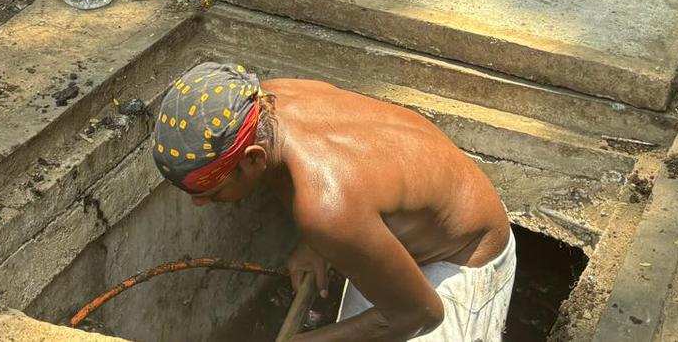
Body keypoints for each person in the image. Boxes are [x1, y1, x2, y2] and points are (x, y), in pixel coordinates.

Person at [152, 62, 516, 341]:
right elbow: (327, 178)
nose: (201, 205)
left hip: (463, 258)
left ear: (252, 159)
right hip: (405, 230)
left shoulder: (328, 210)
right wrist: (313, 244)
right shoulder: (267, 100)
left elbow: (418, 315)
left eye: (211, 193)